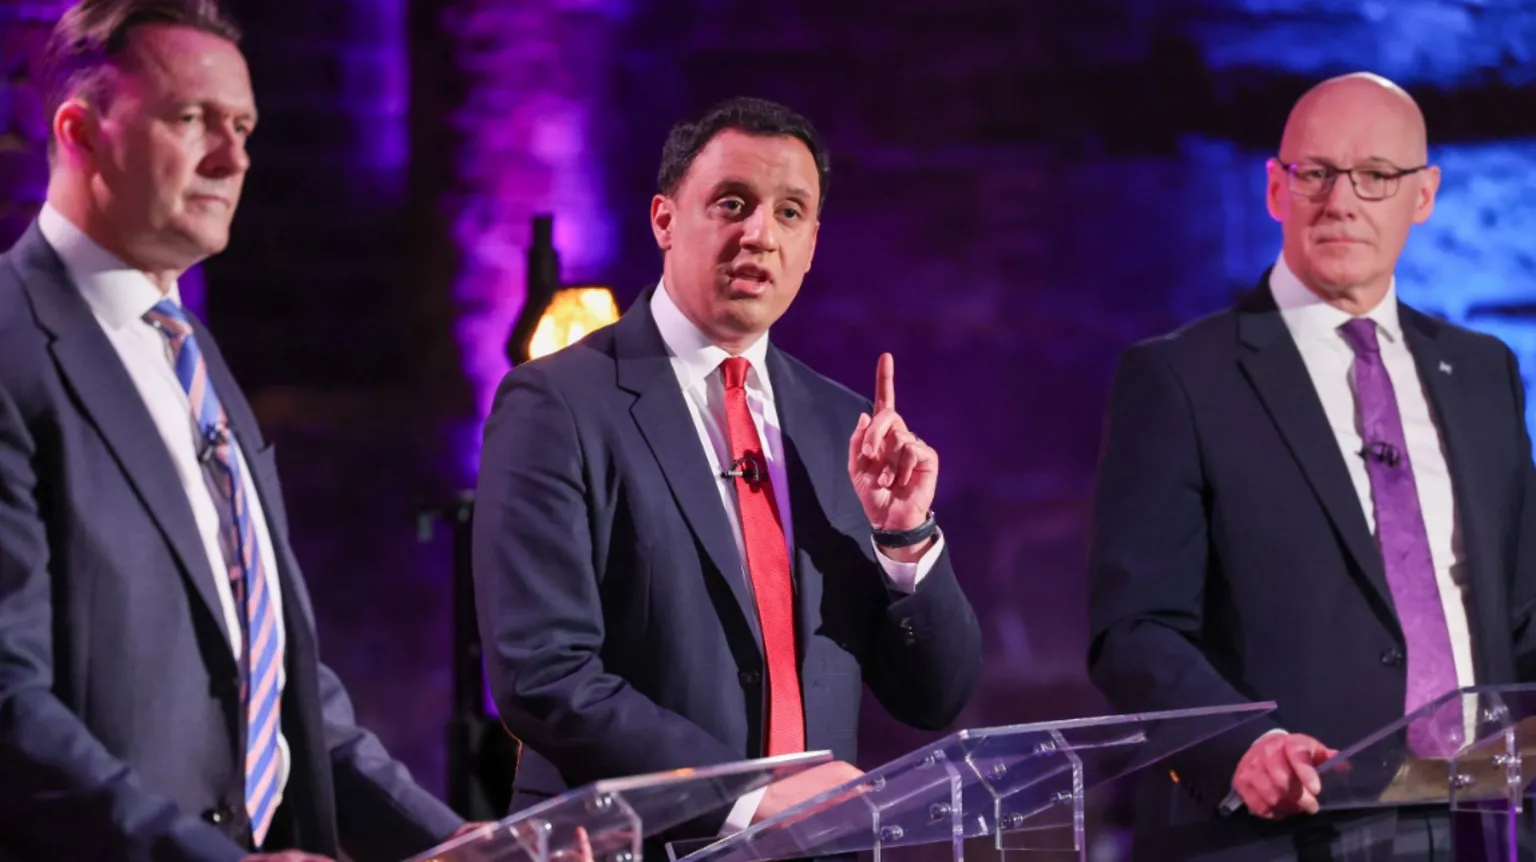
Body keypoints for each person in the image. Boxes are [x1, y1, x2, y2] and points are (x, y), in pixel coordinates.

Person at [0, 2, 481, 859]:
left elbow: (285, 694)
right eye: (193, 121)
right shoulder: (11, 345)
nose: (234, 158)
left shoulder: (193, 357)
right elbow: (8, 705)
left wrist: (462, 848)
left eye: (244, 127)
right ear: (80, 131)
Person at [471, 96, 983, 836]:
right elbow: (544, 674)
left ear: (811, 245)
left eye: (790, 213)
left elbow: (936, 697)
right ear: (664, 220)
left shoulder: (844, 426)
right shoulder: (557, 404)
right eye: (732, 203)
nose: (759, 235)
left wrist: (906, 542)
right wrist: (743, 796)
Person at [1086, 71, 1536, 860]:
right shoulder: (1184, 377)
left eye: (1375, 176)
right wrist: (1244, 748)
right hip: (1286, 830)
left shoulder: (1485, 371)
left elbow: (1522, 608)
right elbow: (1136, 629)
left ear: (1423, 195)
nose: (1341, 200)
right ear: (1274, 188)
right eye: (1315, 172)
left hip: (1481, 824)